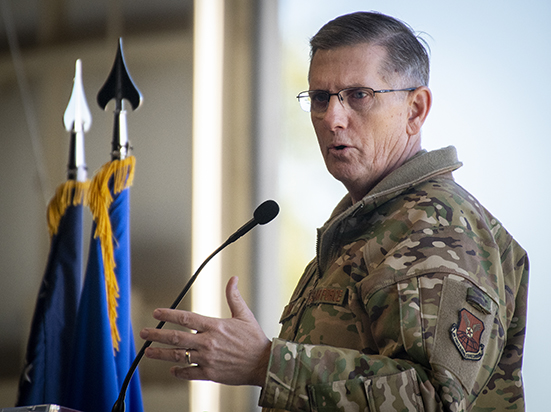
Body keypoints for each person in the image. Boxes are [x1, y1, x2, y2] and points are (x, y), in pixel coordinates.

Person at [140, 11, 529, 411]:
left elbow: (434, 400)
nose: (332, 118)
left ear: (415, 110)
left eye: (358, 95)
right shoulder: (365, 225)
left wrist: (265, 363)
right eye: (321, 98)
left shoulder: (437, 224)